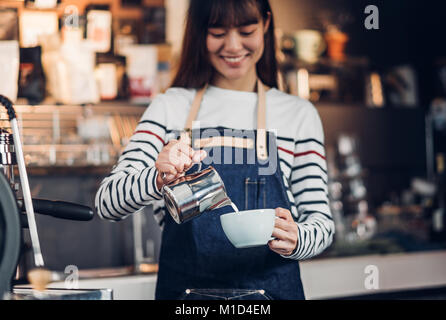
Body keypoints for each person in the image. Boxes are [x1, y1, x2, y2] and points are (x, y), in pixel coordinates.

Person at [95, 0, 334, 300]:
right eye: (218, 32)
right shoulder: (170, 108)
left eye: (246, 31)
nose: (233, 46)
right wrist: (157, 179)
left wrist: (299, 239)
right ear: (200, 32)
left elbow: (322, 224)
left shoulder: (298, 115)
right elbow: (106, 203)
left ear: (266, 25)